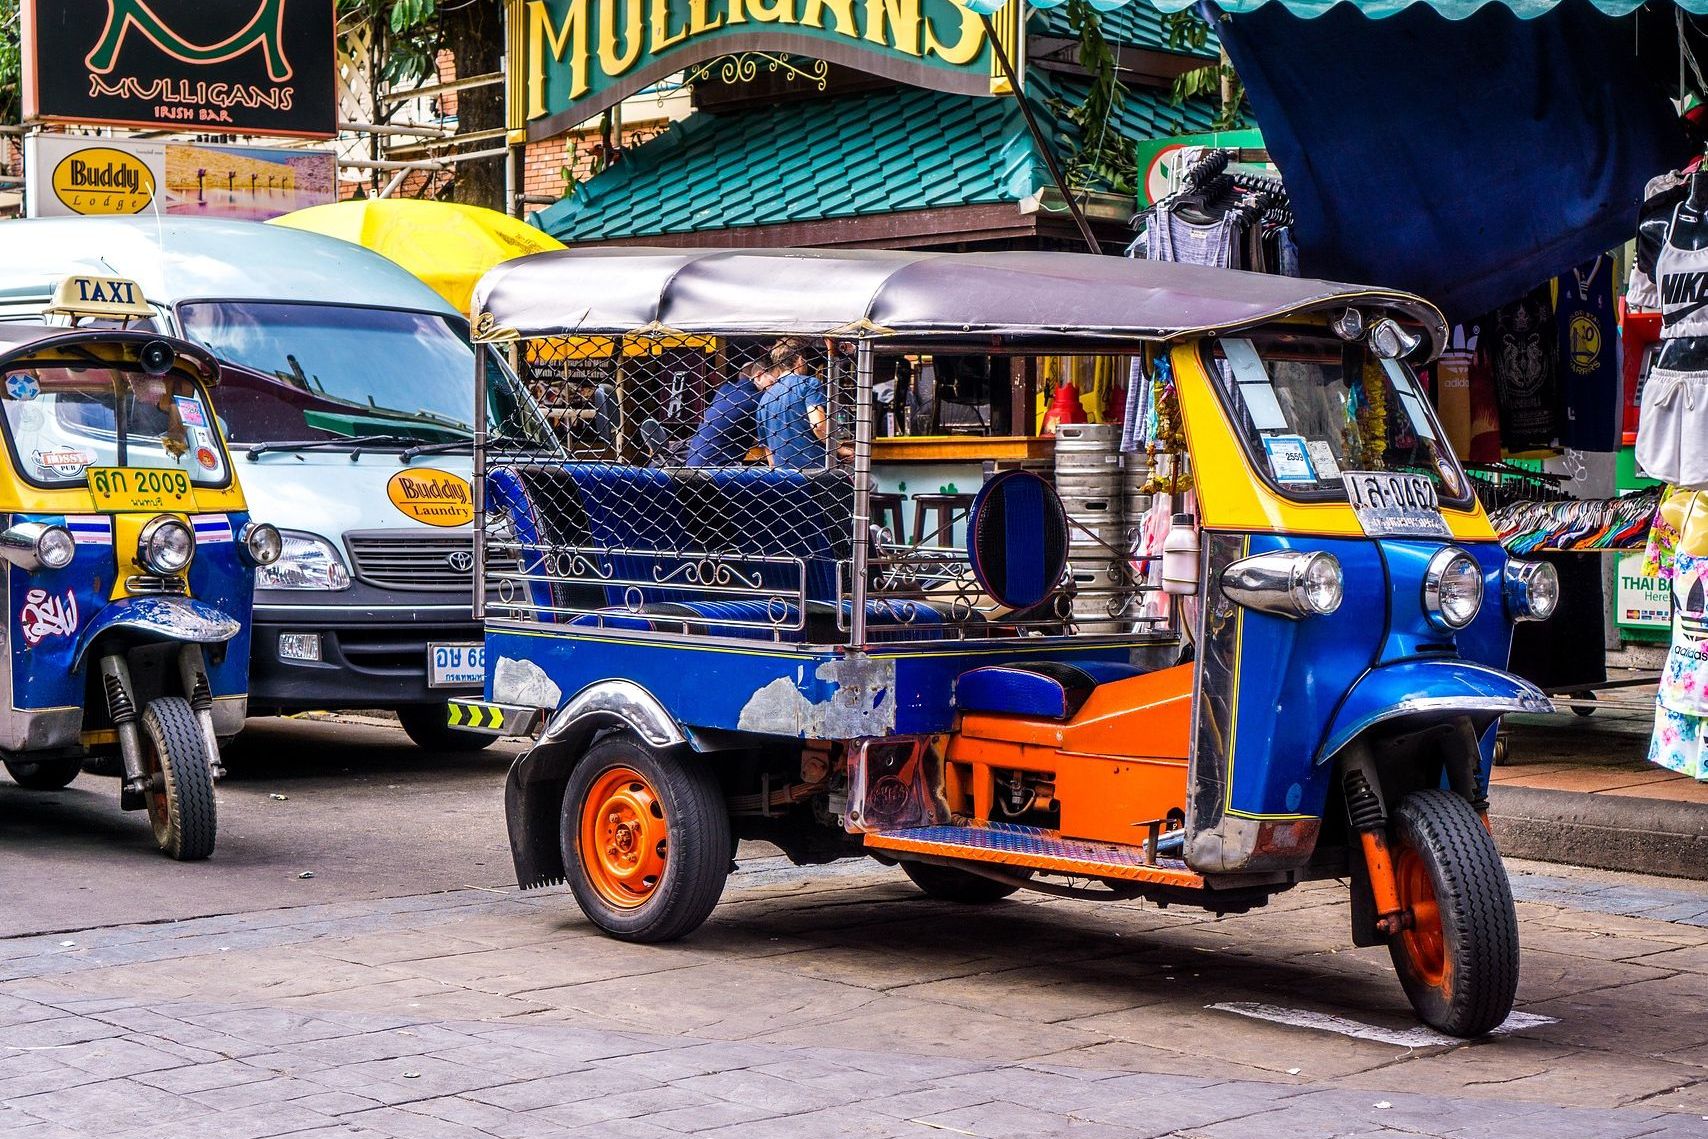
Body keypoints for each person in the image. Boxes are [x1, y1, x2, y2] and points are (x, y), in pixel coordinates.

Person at [757, 339, 829, 470]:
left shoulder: (765, 398)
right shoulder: (810, 384)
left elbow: (769, 454)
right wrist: (839, 449)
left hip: (783, 476)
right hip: (815, 470)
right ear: (800, 360)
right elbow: (818, 425)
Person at [685, 360, 770, 467]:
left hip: (693, 463)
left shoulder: (725, 390)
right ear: (758, 376)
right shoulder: (758, 399)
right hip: (719, 469)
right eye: (773, 381)